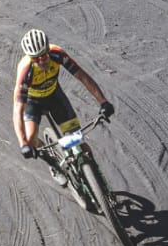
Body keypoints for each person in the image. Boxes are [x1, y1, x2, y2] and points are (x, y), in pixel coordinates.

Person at [13, 27, 113, 171]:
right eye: (36, 58)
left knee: (78, 142)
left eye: (43, 55)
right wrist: (24, 144)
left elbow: (82, 76)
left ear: (48, 49)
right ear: (30, 57)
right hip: (32, 102)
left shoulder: (57, 54)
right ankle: (52, 164)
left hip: (54, 96)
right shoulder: (25, 70)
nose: (41, 60)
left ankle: (96, 177)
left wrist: (103, 101)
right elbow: (17, 109)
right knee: (31, 140)